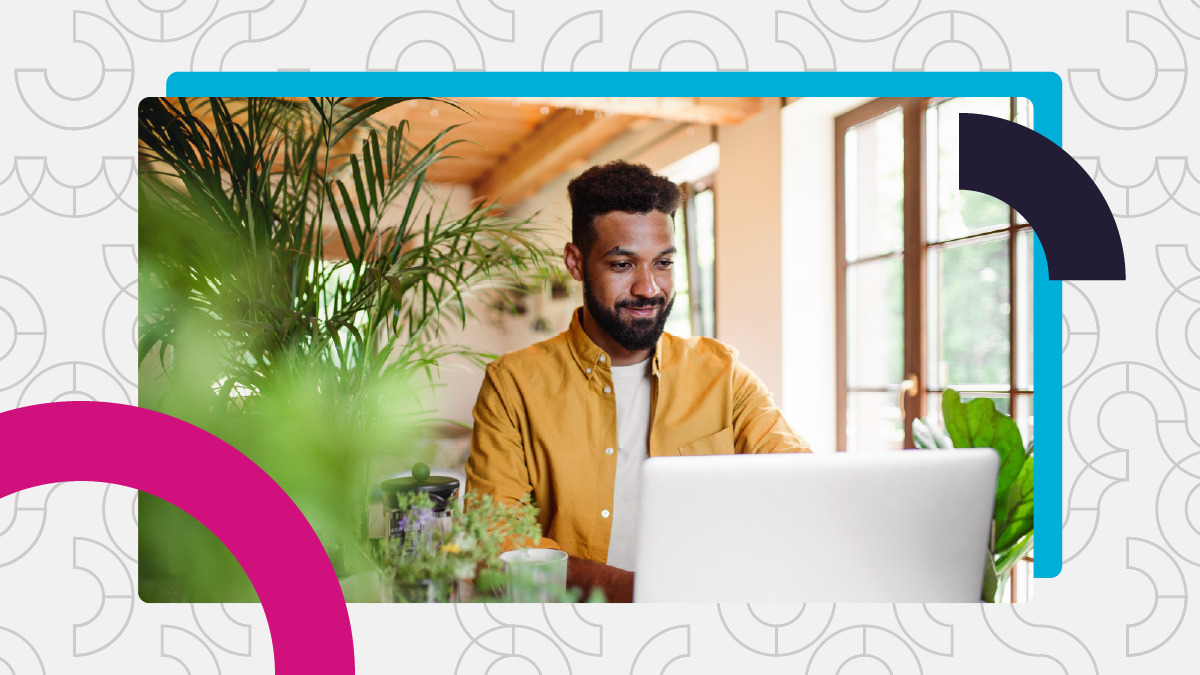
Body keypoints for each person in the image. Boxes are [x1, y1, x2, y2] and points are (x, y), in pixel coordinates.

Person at [465, 160, 810, 602]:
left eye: (663, 262)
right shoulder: (513, 384)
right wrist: (638, 591)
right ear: (576, 262)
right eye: (623, 264)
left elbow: (800, 481)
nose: (649, 288)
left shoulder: (722, 373)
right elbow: (495, 542)